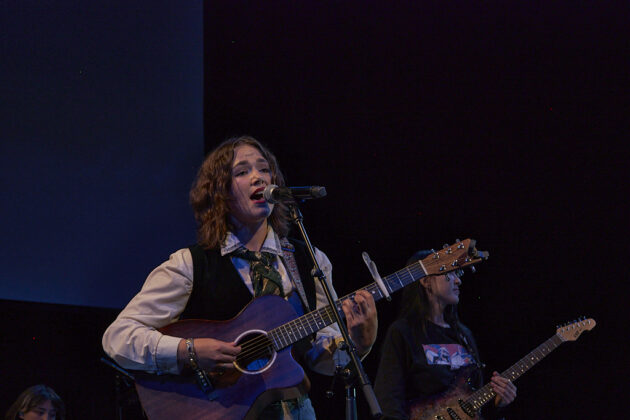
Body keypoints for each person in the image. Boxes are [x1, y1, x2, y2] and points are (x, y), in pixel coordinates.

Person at [102, 135, 378, 419]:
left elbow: (321, 359)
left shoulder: (310, 260)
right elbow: (118, 338)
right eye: (242, 171)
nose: (258, 177)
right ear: (220, 192)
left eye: (264, 169)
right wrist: (189, 350)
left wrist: (360, 342)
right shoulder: (190, 264)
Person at [374, 250, 516, 420]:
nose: (458, 280)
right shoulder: (402, 332)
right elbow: (388, 401)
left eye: (457, 273)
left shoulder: (464, 335)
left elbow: (474, 406)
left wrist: (498, 404)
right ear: (426, 281)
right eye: (449, 273)